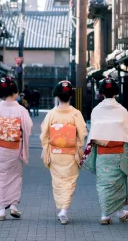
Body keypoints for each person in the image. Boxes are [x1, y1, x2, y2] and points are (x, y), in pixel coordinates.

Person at [82, 77, 128, 225]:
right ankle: (120, 212)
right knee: (119, 182)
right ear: (116, 92)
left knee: (103, 183)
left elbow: (93, 134)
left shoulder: (96, 110)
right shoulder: (122, 111)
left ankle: (105, 215)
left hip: (103, 154)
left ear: (101, 93)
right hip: (119, 153)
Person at [0, 77, 33, 221]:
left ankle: (1, 210)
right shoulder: (21, 110)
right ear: (15, 92)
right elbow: (28, 128)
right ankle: (14, 206)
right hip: (15, 148)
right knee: (15, 176)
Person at [40, 81, 87, 225]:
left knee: (58, 182)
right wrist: (77, 147)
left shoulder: (51, 114)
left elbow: (44, 134)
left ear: (57, 96)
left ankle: (62, 208)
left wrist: (46, 148)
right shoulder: (75, 113)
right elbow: (82, 133)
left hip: (55, 153)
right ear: (71, 96)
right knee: (70, 181)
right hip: (70, 153)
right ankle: (64, 209)